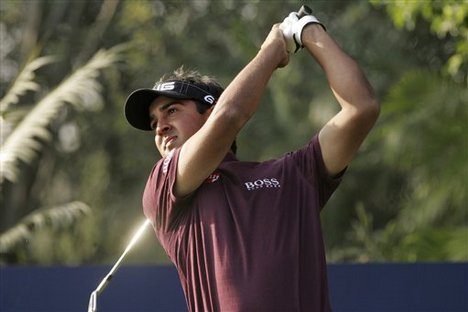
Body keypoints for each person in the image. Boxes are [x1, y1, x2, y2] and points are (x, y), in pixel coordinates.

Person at [124, 8, 379, 312]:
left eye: (172, 110)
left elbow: (361, 108)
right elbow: (230, 116)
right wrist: (271, 51)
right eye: (154, 123)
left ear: (210, 110)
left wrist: (308, 30)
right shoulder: (166, 191)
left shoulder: (295, 174)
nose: (160, 127)